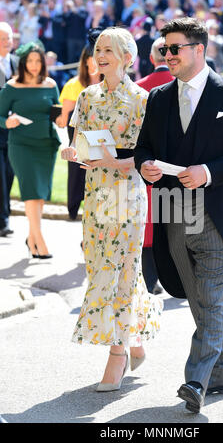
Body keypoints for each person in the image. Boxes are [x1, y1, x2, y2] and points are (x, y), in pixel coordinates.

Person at [134, 17, 223, 413]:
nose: (166, 55)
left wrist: (207, 173)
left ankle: (196, 380)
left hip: (215, 214)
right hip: (173, 209)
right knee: (200, 299)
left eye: (174, 48)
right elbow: (143, 149)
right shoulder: (157, 99)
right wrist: (145, 167)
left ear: (199, 50)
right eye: (164, 48)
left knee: (208, 295)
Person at [61, 26, 163, 392]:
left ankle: (117, 354)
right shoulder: (86, 96)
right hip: (96, 197)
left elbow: (148, 154)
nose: (100, 54)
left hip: (128, 197)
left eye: (108, 49)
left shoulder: (142, 99)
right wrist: (72, 153)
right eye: (98, 49)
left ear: (126, 58)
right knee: (99, 268)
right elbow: (77, 143)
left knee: (122, 270)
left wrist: (118, 162)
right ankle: (136, 338)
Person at [0, 41, 61, 257]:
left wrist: (62, 119)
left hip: (46, 145)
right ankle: (40, 242)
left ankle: (32, 238)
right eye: (30, 61)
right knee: (30, 192)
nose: (34, 65)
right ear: (23, 62)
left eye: (38, 61)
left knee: (40, 193)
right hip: (21, 145)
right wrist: (6, 122)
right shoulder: (11, 86)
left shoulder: (51, 84)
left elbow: (56, 112)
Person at [136, 37, 174, 294]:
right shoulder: (184, 88)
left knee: (149, 223)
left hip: (145, 166)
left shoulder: (138, 89)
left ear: (151, 59)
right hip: (177, 168)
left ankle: (149, 280)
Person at [56, 34, 102, 221]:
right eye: (90, 59)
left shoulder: (109, 84)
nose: (93, 63)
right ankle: (74, 210)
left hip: (101, 137)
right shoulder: (74, 85)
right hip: (79, 137)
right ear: (84, 61)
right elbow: (64, 118)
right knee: (77, 177)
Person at [0, 22, 18, 237]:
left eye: (10, 39)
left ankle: (4, 212)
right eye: (3, 39)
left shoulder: (17, 63)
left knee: (10, 174)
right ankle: (4, 219)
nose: (7, 43)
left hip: (15, 132)